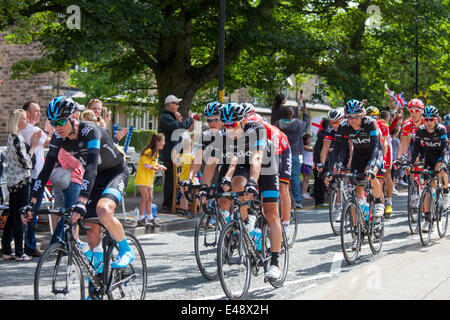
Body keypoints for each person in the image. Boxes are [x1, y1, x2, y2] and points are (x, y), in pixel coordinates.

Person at [23, 96, 135, 271]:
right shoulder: (58, 138)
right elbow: (45, 172)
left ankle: (125, 249)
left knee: (103, 210)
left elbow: (91, 166)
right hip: (94, 179)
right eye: (53, 123)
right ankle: (97, 286)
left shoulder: (90, 130)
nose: (57, 127)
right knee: (91, 233)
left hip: (115, 172)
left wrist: (82, 201)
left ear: (72, 118)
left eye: (60, 121)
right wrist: (32, 202)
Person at [200, 103, 283, 281]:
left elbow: (257, 157)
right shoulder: (221, 134)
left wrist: (253, 182)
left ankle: (275, 263)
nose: (230, 129)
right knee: (237, 186)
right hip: (243, 163)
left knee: (271, 212)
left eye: (234, 125)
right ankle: (248, 221)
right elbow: (212, 161)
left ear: (243, 121)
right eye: (226, 125)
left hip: (266, 163)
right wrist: (205, 187)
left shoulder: (256, 129)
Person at [330, 99, 385, 234]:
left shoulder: (370, 123)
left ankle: (378, 203)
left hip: (375, 152)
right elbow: (339, 149)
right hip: (359, 154)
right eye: (349, 117)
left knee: (370, 174)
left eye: (356, 116)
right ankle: (362, 217)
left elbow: (375, 147)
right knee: (357, 186)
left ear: (362, 115)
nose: (353, 120)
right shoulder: (344, 126)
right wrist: (334, 166)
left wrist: (372, 166)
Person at [2, 109, 39, 261]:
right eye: (24, 118)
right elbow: (25, 162)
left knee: (12, 215)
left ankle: (6, 250)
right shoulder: (16, 138)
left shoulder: (13, 137)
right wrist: (34, 147)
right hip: (21, 181)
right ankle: (19, 252)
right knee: (20, 215)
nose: (27, 120)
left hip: (13, 182)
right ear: (17, 121)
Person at [21, 100, 54, 258]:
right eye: (36, 111)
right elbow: (50, 142)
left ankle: (28, 245)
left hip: (36, 175)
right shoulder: (31, 129)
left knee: (31, 212)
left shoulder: (32, 130)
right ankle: (30, 245)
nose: (39, 114)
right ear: (27, 113)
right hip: (35, 177)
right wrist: (49, 129)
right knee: (31, 212)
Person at [407, 106, 449, 227]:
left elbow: (445, 147)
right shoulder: (420, 130)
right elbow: (415, 148)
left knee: (438, 170)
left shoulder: (441, 129)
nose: (428, 122)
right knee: (427, 186)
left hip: (441, 155)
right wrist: (411, 163)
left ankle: (446, 193)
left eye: (431, 119)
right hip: (429, 156)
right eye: (426, 119)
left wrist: (442, 162)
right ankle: (427, 217)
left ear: (436, 119)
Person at [158, 94, 194, 212]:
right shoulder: (165, 117)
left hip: (175, 151)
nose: (178, 106)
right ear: (169, 105)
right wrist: (190, 119)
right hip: (170, 152)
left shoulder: (170, 116)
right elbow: (180, 127)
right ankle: (167, 204)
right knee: (171, 178)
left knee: (175, 177)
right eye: (176, 103)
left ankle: (174, 202)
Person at [274, 105, 310, 208]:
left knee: (279, 177)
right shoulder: (298, 124)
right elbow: (306, 125)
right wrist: (305, 113)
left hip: (280, 153)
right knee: (295, 178)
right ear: (292, 114)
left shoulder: (277, 124)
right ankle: (297, 201)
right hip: (294, 153)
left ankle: (279, 200)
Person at [50, 148, 84, 244]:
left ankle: (66, 240)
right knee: (70, 214)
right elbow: (77, 164)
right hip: (72, 181)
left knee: (66, 213)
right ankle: (57, 241)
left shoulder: (63, 148)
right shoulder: (64, 149)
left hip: (66, 181)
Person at [134, 133, 167, 227]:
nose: (164, 143)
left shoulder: (155, 153)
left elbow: (154, 165)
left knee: (149, 198)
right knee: (145, 197)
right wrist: (155, 168)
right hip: (142, 178)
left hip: (148, 179)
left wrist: (160, 166)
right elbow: (146, 165)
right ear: (157, 142)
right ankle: (140, 218)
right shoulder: (147, 151)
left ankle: (150, 217)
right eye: (163, 141)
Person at [312, 118, 330, 209]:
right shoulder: (325, 137)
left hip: (318, 162)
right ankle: (320, 201)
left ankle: (319, 201)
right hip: (321, 163)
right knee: (320, 182)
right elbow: (322, 150)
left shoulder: (320, 136)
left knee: (319, 182)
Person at [301, 133, 313, 200]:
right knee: (305, 180)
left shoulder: (310, 146)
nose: (310, 140)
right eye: (309, 139)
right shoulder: (304, 146)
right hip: (305, 164)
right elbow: (310, 150)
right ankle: (303, 193)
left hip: (309, 164)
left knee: (307, 180)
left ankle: (306, 192)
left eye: (311, 138)